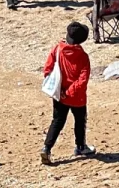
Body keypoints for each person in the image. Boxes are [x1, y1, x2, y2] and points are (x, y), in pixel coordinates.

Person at [40, 21, 95, 165]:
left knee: (57, 121)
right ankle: (81, 147)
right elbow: (82, 80)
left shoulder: (57, 49)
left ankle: (46, 148)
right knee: (80, 120)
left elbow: (47, 69)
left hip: (58, 94)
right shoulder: (83, 57)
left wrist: (60, 91)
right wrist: (69, 92)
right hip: (77, 97)